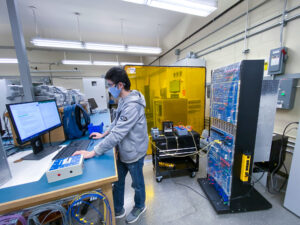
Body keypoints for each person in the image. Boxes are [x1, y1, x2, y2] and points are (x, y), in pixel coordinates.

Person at [73, 67, 148, 224]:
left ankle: (140, 206)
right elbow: (116, 122)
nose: (108, 89)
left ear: (120, 85)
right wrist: (104, 134)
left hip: (134, 152)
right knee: (118, 181)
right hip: (124, 149)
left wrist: (94, 152)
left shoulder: (132, 105)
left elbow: (118, 134)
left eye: (110, 85)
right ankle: (118, 208)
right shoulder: (122, 100)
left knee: (137, 184)